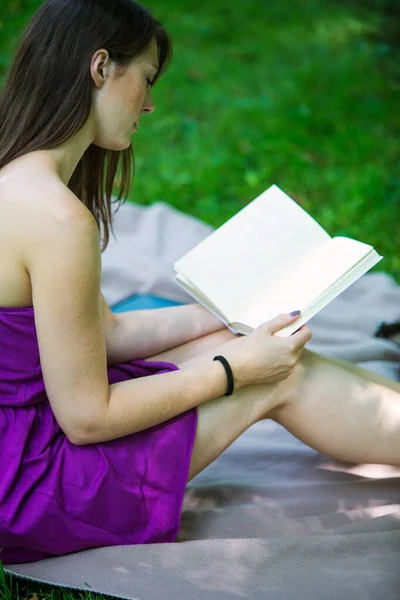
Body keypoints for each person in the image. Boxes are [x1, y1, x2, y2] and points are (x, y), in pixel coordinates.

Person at [0, 0, 399, 566]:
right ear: (100, 67)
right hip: (32, 485)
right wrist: (236, 372)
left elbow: (100, 335)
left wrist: (226, 315)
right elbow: (87, 418)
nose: (152, 102)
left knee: (235, 346)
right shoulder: (58, 219)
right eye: (146, 77)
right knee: (273, 376)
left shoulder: (15, 179)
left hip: (23, 442)